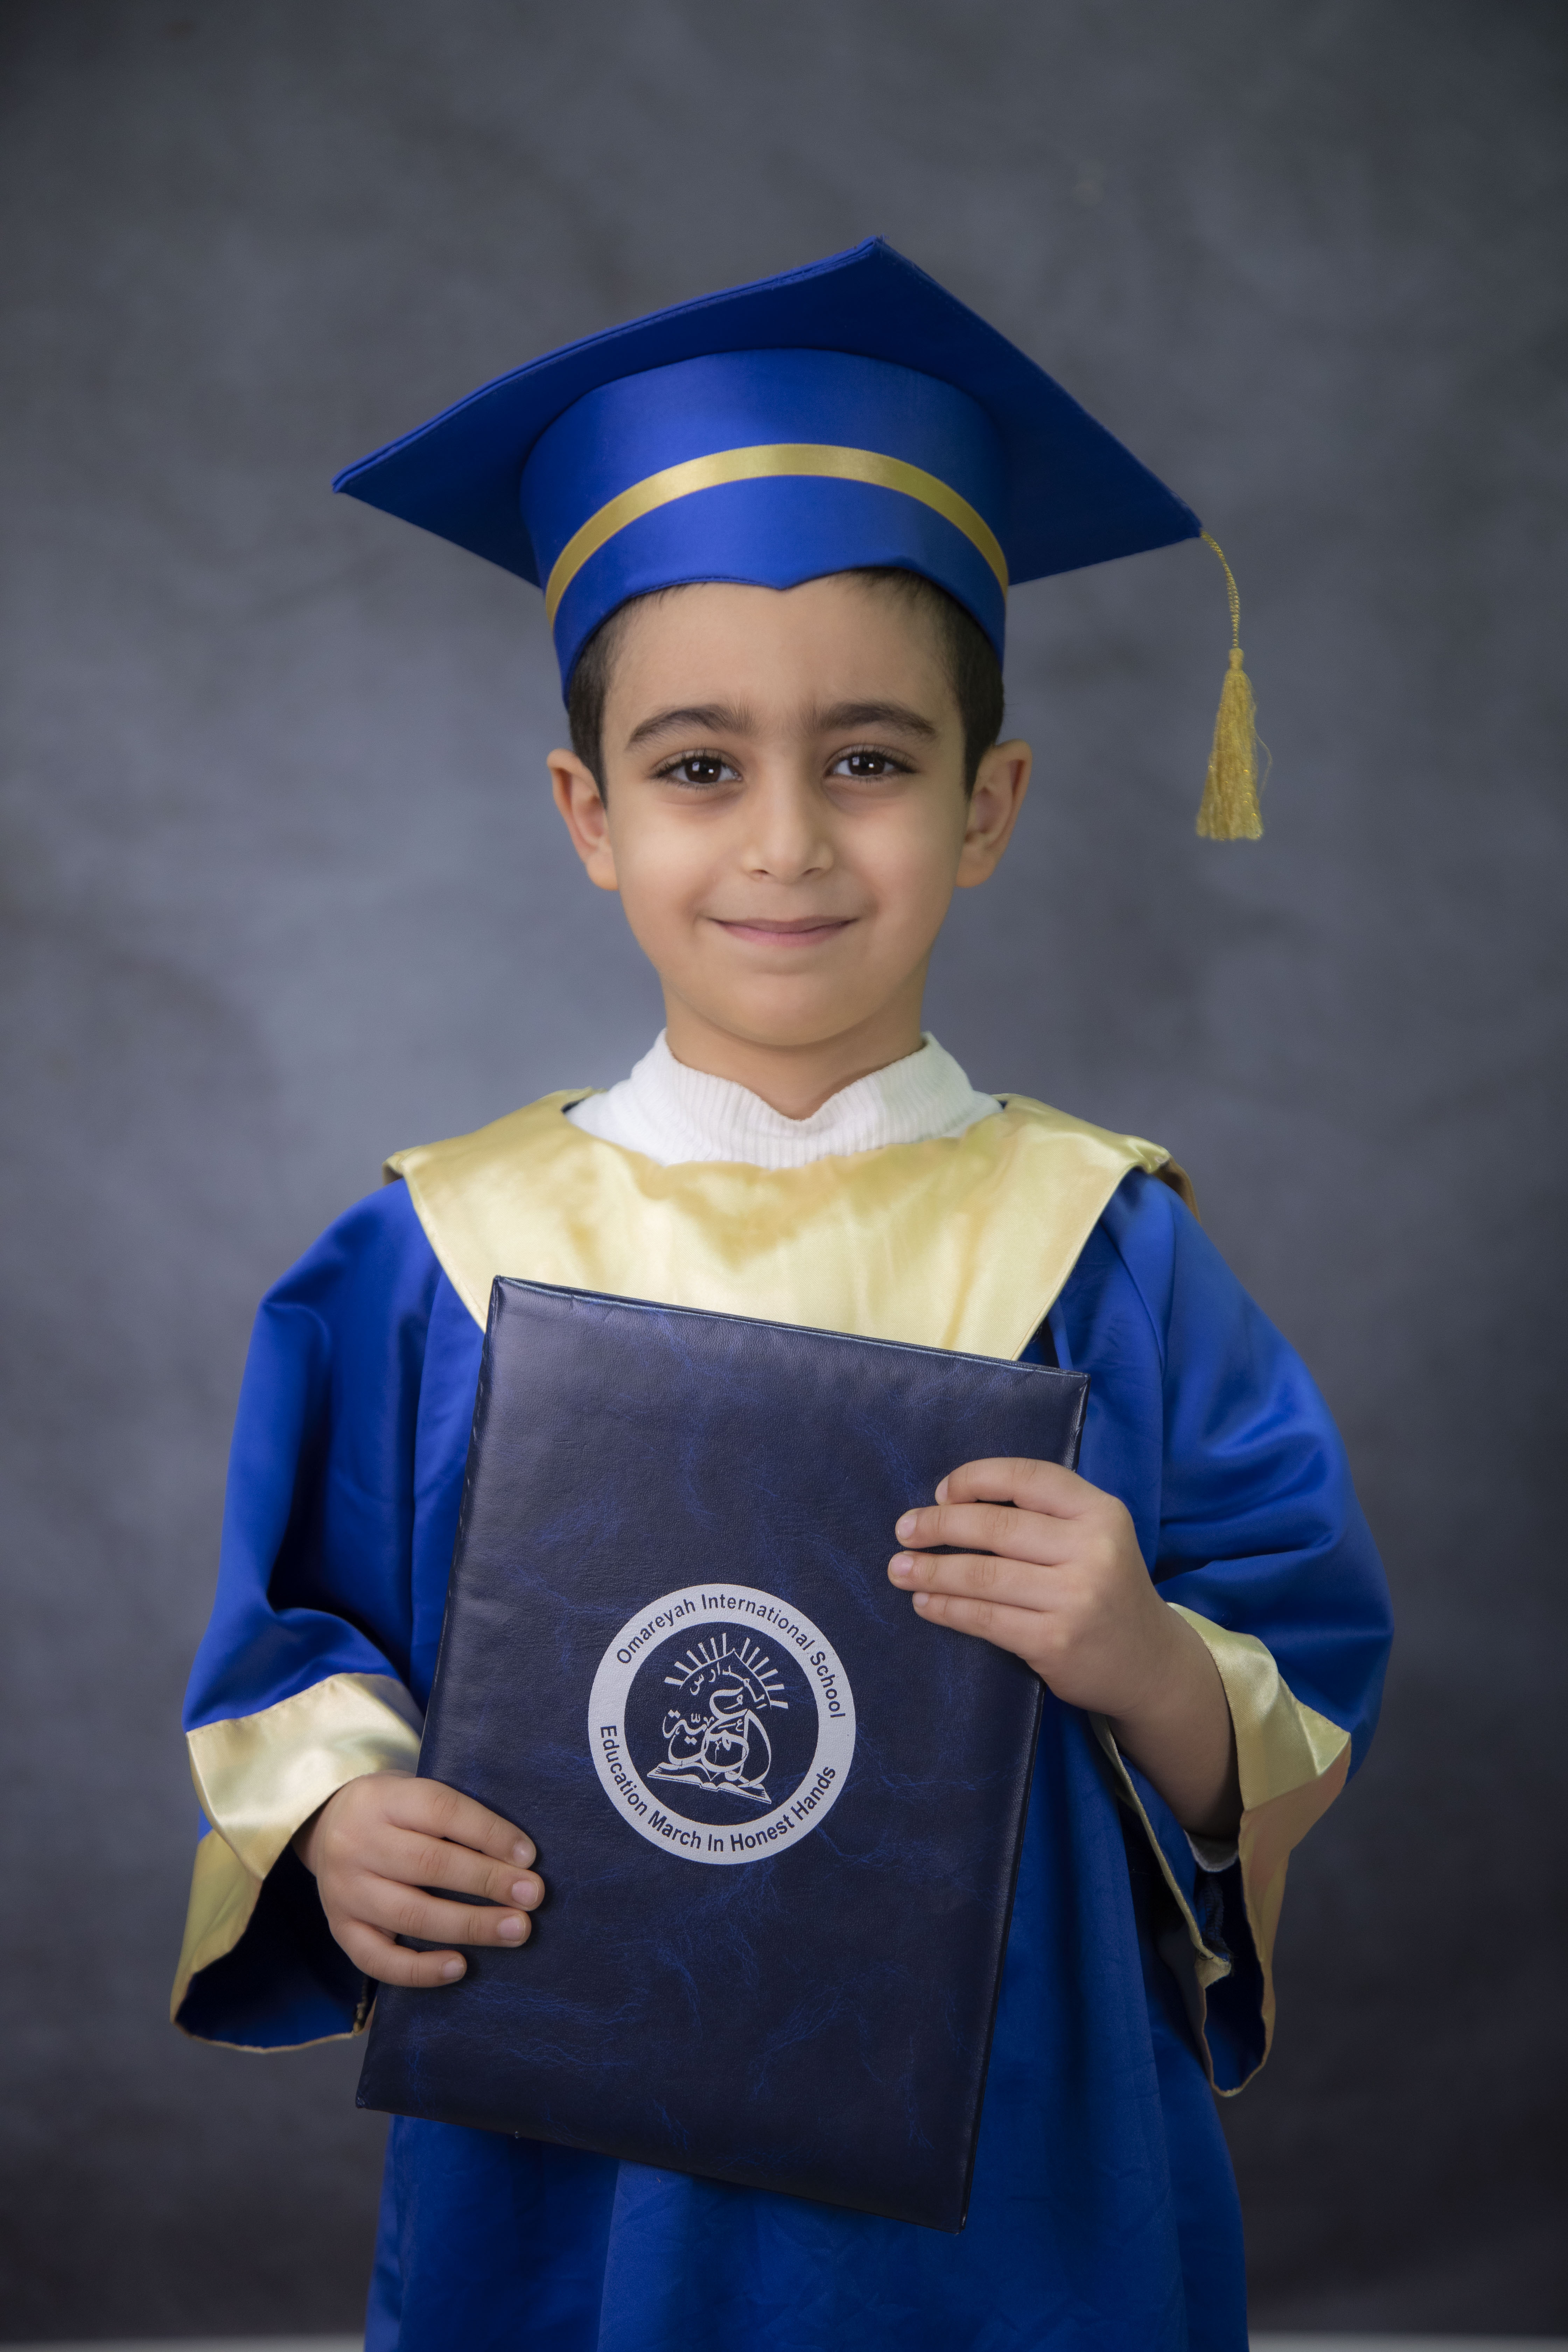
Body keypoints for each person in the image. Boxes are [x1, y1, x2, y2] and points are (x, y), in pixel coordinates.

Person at [173, 239, 1392, 2352]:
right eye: (699, 767)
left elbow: (1294, 1679)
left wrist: (1141, 1657)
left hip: (1020, 2147)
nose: (788, 846)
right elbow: (297, 1652)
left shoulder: (1108, 1244)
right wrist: (340, 1821)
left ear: (989, 806)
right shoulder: (432, 1249)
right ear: (589, 815)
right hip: (573, 2151)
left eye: (871, 761)